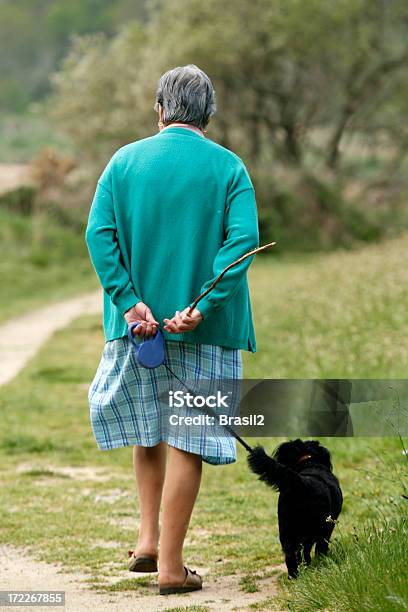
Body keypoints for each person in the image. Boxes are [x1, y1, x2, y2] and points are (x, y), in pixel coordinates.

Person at [86, 64, 259, 595]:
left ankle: (147, 541)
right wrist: (202, 306)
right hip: (206, 329)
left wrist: (130, 302)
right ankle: (171, 566)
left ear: (159, 109)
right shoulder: (229, 168)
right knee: (188, 438)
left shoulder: (123, 162)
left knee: (147, 426)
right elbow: (243, 242)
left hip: (138, 330)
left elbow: (100, 235)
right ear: (208, 113)